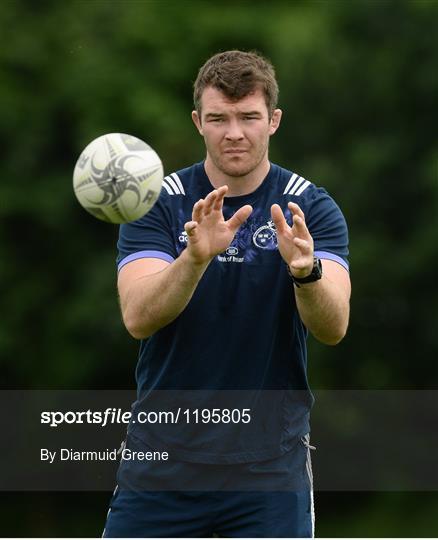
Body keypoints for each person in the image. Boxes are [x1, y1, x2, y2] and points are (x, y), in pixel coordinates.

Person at [103, 50, 350, 538]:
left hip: (270, 468)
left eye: (248, 117)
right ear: (198, 121)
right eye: (218, 118)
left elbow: (334, 327)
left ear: (273, 120)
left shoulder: (310, 208)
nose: (233, 132)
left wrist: (306, 272)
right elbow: (138, 316)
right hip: (162, 461)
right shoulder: (158, 203)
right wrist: (194, 259)